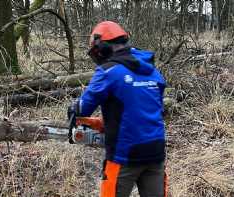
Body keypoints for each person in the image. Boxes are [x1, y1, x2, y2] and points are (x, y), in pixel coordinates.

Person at [67, 21, 167, 197]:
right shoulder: (153, 72)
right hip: (156, 152)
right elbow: (141, 110)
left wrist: (73, 108)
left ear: (103, 48)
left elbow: (83, 108)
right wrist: (106, 123)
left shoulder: (108, 71)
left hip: (124, 156)